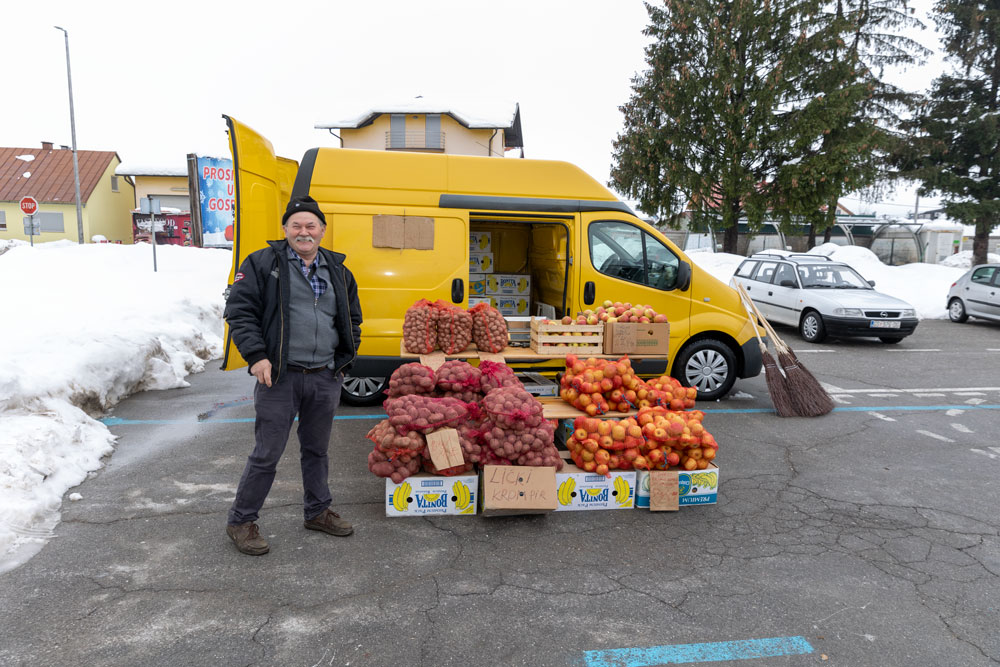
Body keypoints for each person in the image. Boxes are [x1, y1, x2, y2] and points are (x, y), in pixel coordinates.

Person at [223, 195, 362, 555]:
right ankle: (241, 521)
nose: (304, 231)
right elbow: (240, 311)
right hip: (279, 377)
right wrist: (257, 357)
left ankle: (317, 512)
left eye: (310, 225)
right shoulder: (262, 263)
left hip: (324, 376)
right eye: (296, 225)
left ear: (322, 230)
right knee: (267, 453)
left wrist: (342, 363)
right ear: (285, 229)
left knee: (317, 451)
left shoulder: (339, 270)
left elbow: (352, 319)